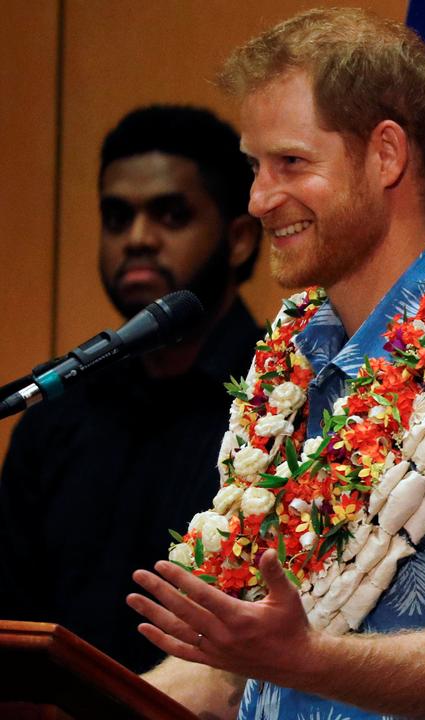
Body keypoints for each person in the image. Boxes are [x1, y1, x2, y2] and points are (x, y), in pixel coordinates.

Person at [127, 9, 425, 719]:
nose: (257, 200)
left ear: (386, 156)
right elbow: (244, 675)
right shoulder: (294, 357)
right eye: (255, 167)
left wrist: (306, 659)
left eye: (291, 163)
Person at [0, 105, 262, 674]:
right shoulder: (53, 416)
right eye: (117, 218)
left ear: (238, 239)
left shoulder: (282, 402)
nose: (137, 239)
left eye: (171, 215)